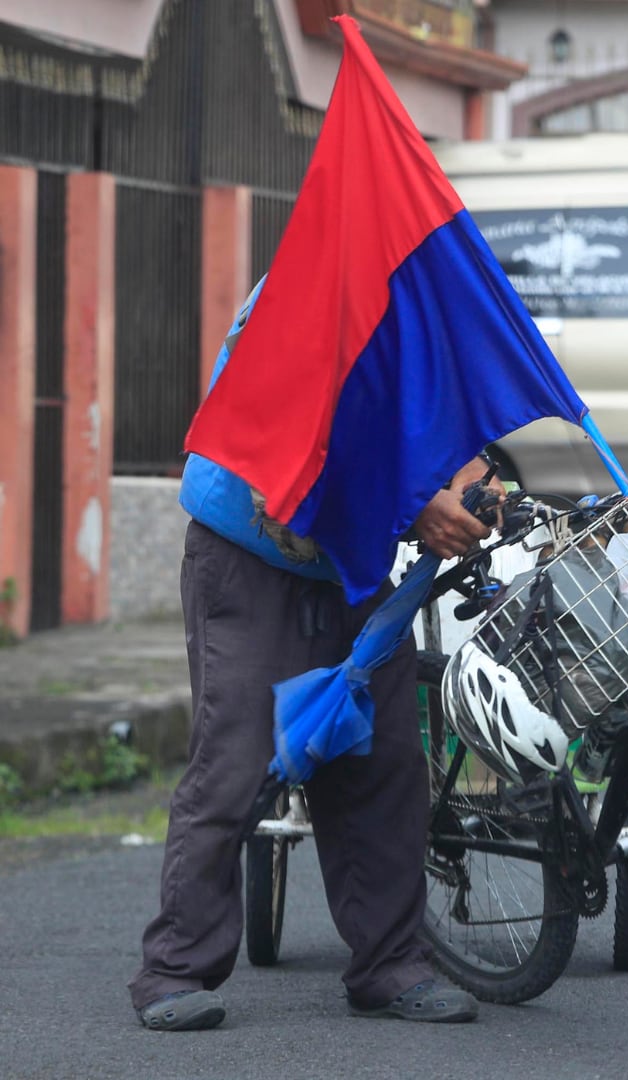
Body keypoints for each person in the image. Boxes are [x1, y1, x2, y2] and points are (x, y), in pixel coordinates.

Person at [128, 282, 496, 1030]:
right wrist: (418, 503)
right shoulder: (294, 296)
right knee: (236, 757)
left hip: (350, 562)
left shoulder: (419, 304)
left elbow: (448, 422)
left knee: (382, 760)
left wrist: (472, 482)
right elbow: (294, 434)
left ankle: (390, 963)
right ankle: (174, 968)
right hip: (248, 552)